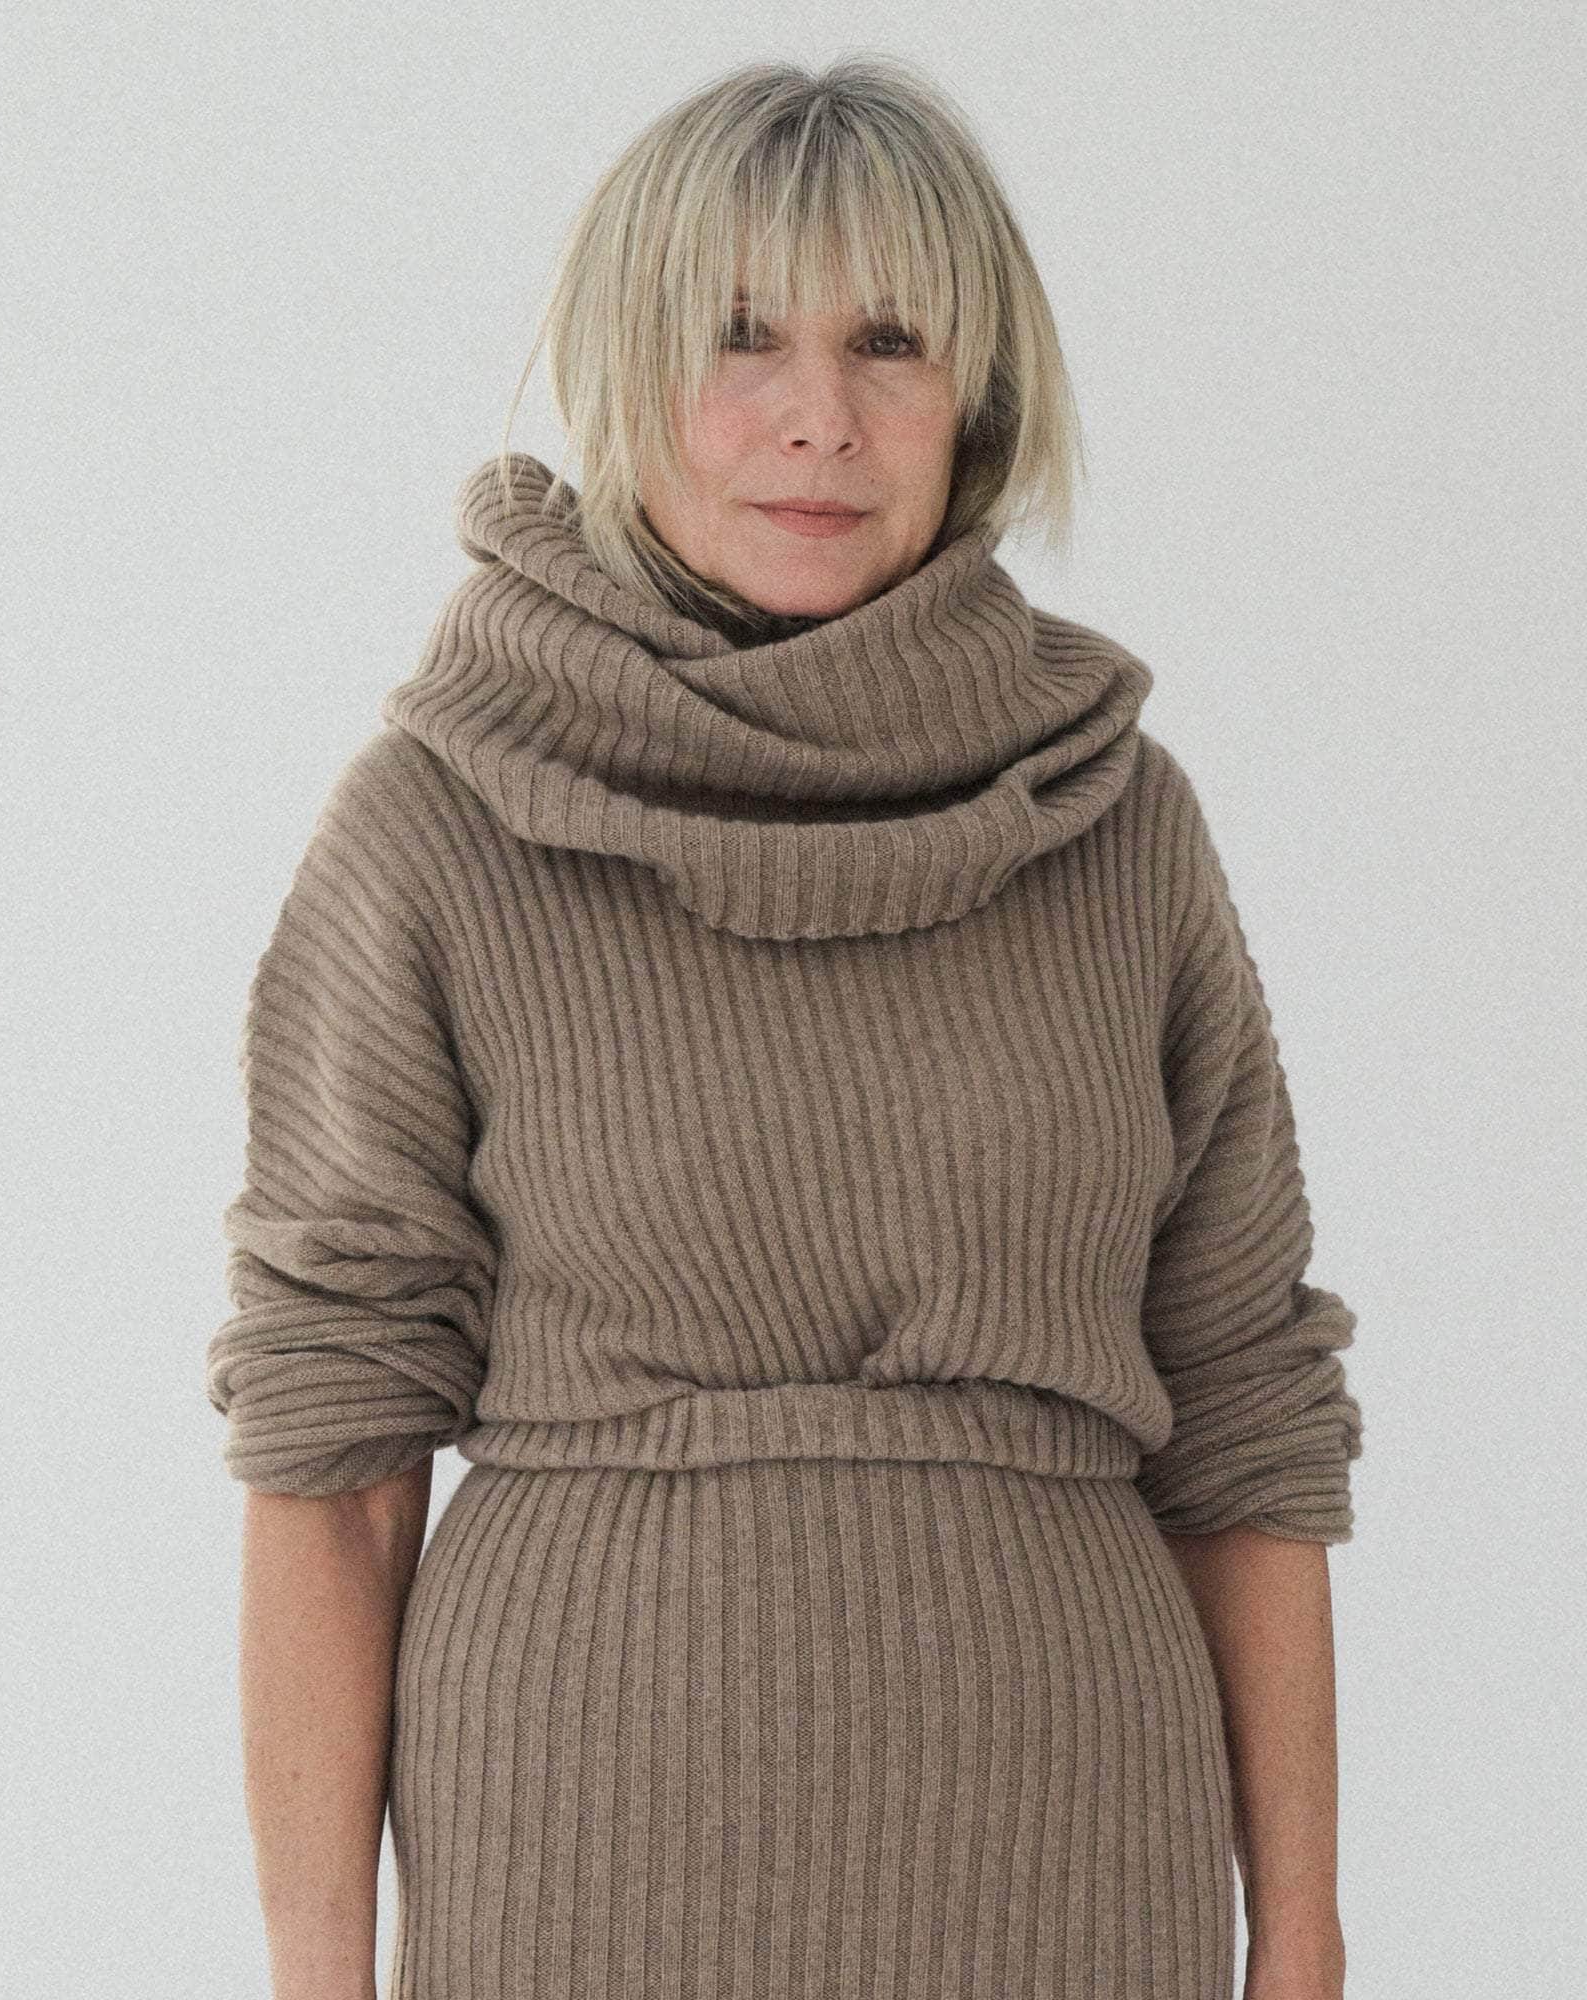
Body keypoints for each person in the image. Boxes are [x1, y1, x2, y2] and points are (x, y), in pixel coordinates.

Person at [206, 54, 1363, 2000]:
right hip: (577, 1874)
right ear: (623, 369)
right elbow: (332, 1454)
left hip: (1078, 1866)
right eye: (739, 336)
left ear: (978, 396)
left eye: (889, 341)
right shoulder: (439, 822)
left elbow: (1243, 1407)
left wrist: (1303, 1937)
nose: (819, 416)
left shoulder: (1112, 821)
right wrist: (317, 1976)